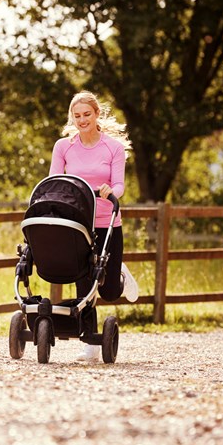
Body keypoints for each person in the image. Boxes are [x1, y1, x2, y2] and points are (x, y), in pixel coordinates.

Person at [48, 90, 139, 362]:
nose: (82, 120)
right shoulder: (63, 147)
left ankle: (118, 272)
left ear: (97, 114)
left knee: (109, 292)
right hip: (78, 224)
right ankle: (90, 344)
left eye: (87, 114)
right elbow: (55, 181)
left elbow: (120, 185)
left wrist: (111, 191)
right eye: (77, 116)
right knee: (84, 283)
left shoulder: (113, 148)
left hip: (107, 221)